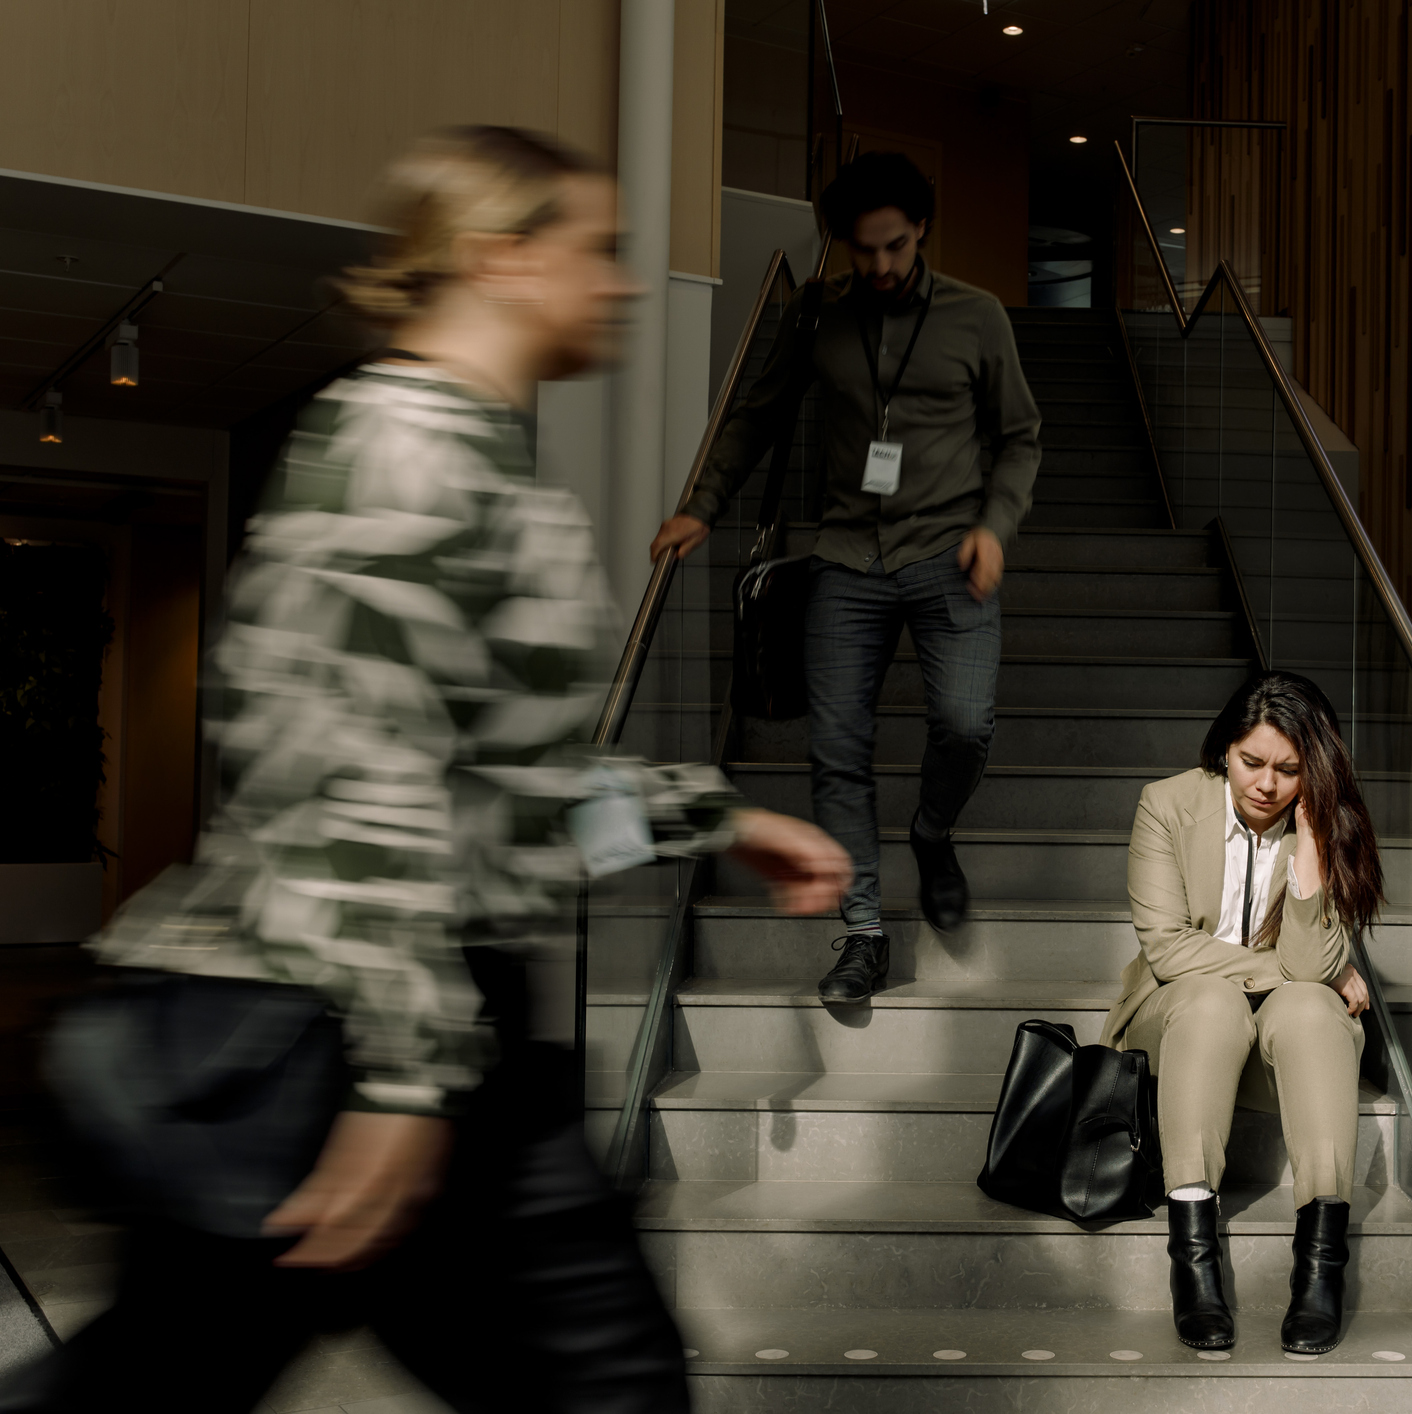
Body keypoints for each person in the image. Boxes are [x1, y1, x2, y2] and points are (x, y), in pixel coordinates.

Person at [2, 126, 850, 1414]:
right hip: (350, 1017)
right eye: (597, 251)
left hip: (427, 1015)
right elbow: (363, 775)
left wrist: (710, 817)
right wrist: (401, 1079)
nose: (622, 282)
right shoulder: (405, 441)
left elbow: (498, 788)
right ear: (502, 259)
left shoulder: (481, 453)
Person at [649, 151, 1041, 1004]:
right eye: (863, 252)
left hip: (950, 556)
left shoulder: (976, 318)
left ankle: (932, 832)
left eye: (895, 247)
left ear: (921, 230)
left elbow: (1019, 437)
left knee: (967, 727)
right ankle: (863, 932)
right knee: (836, 750)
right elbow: (757, 411)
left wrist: (995, 526)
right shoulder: (815, 316)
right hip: (844, 560)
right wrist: (703, 504)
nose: (881, 267)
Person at [1100, 672, 1384, 1355]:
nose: (1265, 784)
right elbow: (1168, 949)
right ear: (1223, 751)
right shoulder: (1165, 805)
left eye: (1289, 770)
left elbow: (1310, 972)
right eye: (1249, 762)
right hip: (1180, 1027)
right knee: (1211, 997)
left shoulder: (1329, 821)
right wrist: (1291, 970)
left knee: (1314, 1011)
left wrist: (1312, 842)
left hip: (1277, 1046)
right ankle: (1191, 1261)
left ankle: (1321, 1267)